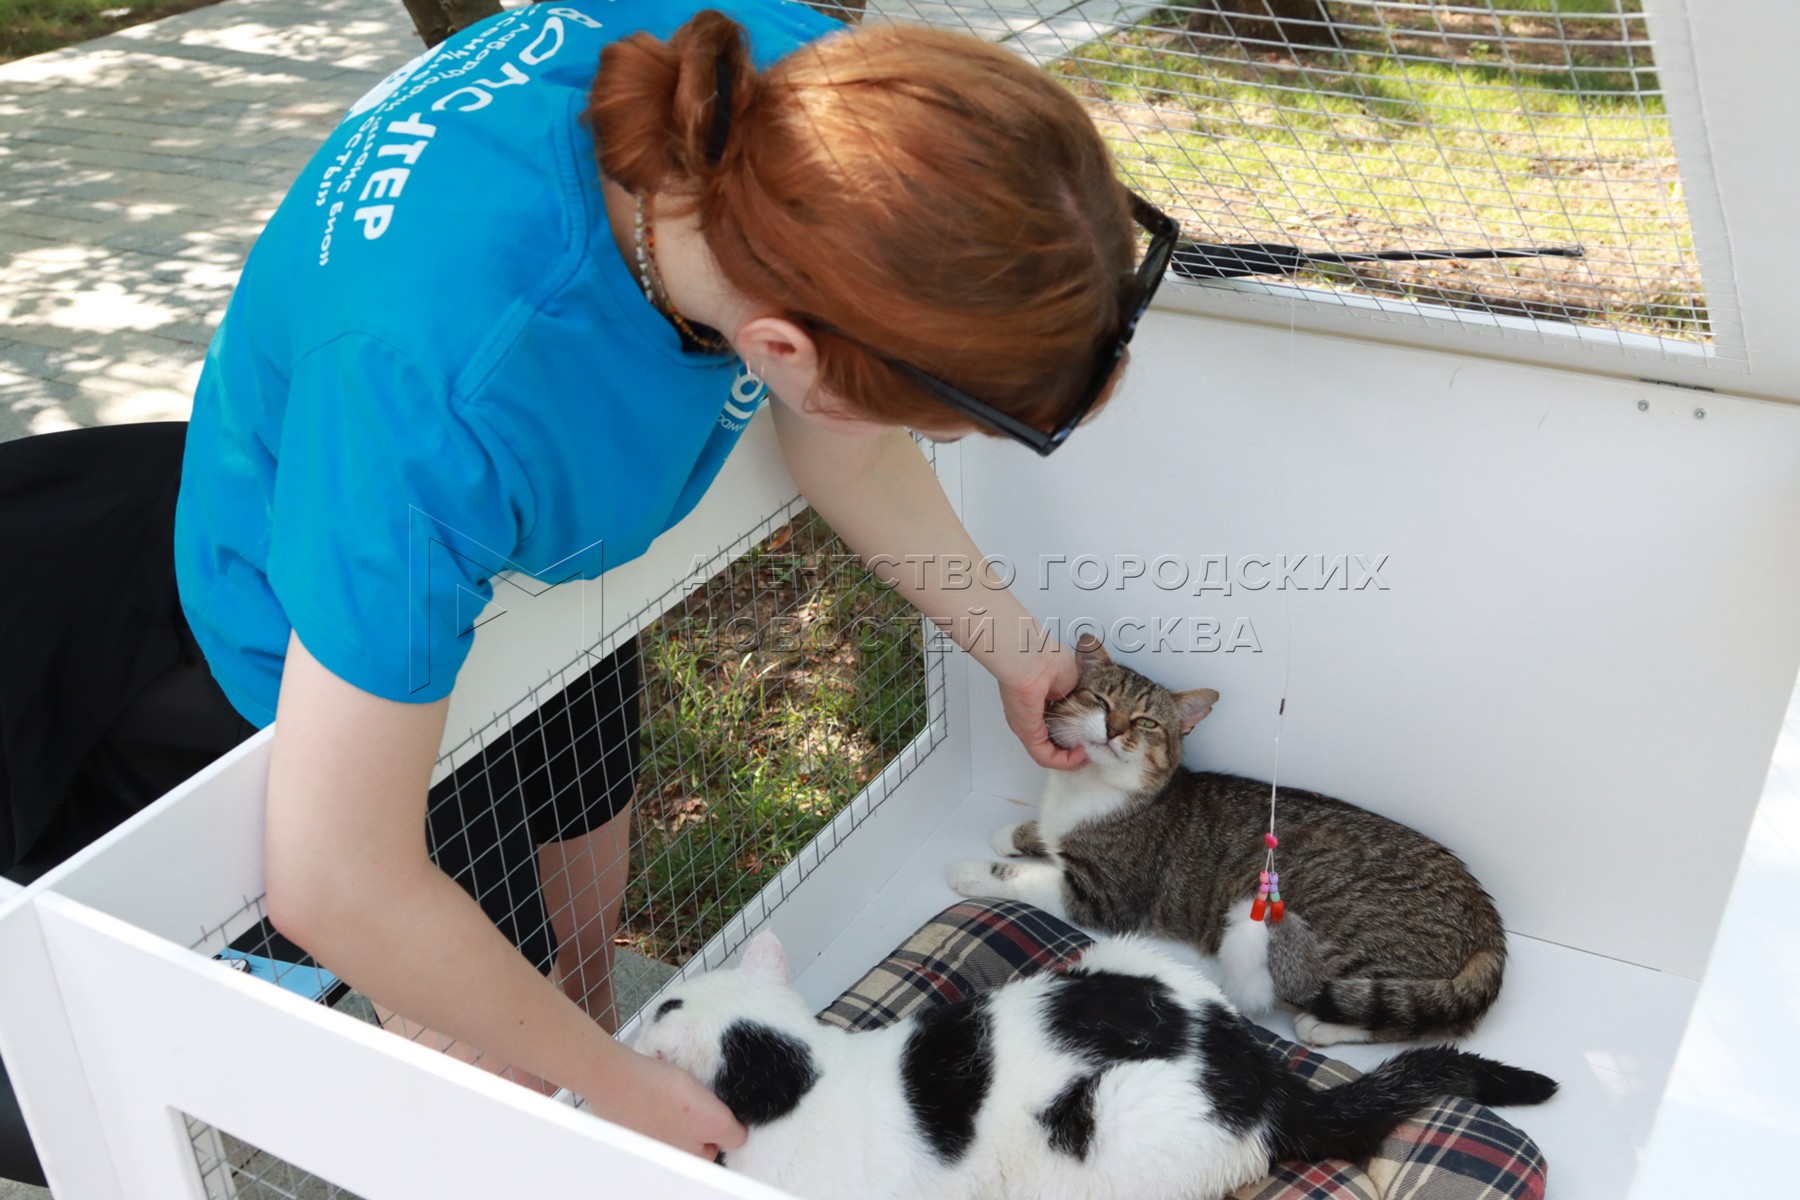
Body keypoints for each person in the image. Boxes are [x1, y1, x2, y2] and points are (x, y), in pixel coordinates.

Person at [1, 0, 1176, 1164]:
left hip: (542, 571)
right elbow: (339, 877)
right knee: (493, 1047)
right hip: (319, 615)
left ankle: (585, 991)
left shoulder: (813, 111)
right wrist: (605, 1084)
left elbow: (847, 437)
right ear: (778, 353)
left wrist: (1019, 648)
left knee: (576, 838)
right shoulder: (438, 412)